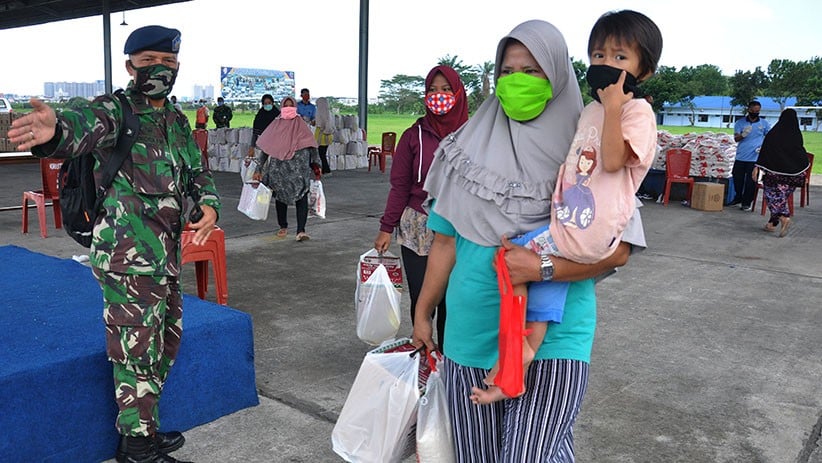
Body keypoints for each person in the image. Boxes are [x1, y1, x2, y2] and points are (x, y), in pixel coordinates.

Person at [411, 19, 645, 461]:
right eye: (507, 71)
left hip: (555, 338)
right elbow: (443, 245)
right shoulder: (465, 149)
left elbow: (620, 250)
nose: (517, 80)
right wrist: (422, 313)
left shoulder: (592, 144)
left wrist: (542, 268)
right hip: (470, 339)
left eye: (532, 71)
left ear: (557, 75)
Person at [8, 25, 219, 463]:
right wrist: (53, 130)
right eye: (149, 63)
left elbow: (197, 173)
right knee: (135, 349)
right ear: (130, 67)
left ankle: (146, 426)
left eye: (168, 63)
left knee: (166, 342)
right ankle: (136, 447)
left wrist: (209, 205)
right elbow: (77, 126)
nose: (160, 70)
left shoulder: (176, 120)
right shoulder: (115, 111)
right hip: (126, 256)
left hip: (166, 256)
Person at [470, 9, 662, 405]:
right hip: (572, 219)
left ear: (645, 70)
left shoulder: (637, 113)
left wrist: (613, 108)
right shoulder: (589, 111)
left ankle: (520, 353)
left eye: (620, 57)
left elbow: (612, 162)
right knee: (529, 270)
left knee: (513, 260)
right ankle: (522, 354)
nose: (606, 64)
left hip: (593, 227)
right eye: (598, 55)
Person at [373, 65, 469, 350]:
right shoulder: (413, 135)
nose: (438, 96)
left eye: (445, 90)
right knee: (423, 299)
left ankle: (451, 365)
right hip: (418, 226)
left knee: (454, 302)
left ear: (458, 93)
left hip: (460, 227)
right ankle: (425, 357)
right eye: (432, 90)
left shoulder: (473, 135)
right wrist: (386, 227)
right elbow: (400, 186)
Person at [252, 96, 322, 242]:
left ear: (295, 107)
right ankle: (282, 226)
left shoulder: (301, 124)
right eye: (286, 106)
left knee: (301, 196)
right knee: (280, 198)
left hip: (298, 170)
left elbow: (312, 145)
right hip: (280, 170)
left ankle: (301, 231)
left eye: (291, 106)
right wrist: (258, 169)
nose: (288, 109)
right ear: (282, 107)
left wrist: (317, 164)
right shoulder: (276, 125)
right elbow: (265, 149)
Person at [754, 108, 810, 237]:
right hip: (793, 176)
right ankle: (772, 224)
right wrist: (804, 172)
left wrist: (757, 166)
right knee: (782, 198)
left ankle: (784, 217)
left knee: (771, 196)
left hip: (775, 175)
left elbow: (765, 151)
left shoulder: (773, 134)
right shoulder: (796, 135)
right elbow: (800, 153)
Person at [731, 100, 770, 211]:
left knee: (751, 181)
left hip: (755, 157)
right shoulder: (740, 123)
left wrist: (763, 148)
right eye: (753, 110)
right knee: (737, 178)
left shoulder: (764, 123)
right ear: (749, 110)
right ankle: (738, 197)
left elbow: (769, 137)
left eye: (757, 111)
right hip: (741, 156)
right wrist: (743, 135)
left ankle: (747, 202)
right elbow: (736, 139)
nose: (755, 113)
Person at [313, 97, 334, 175]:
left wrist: (324, 131)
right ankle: (324, 170)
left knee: (321, 154)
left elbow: (326, 125)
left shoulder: (322, 113)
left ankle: (326, 170)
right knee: (322, 154)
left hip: (322, 136)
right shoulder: (328, 113)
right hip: (324, 135)